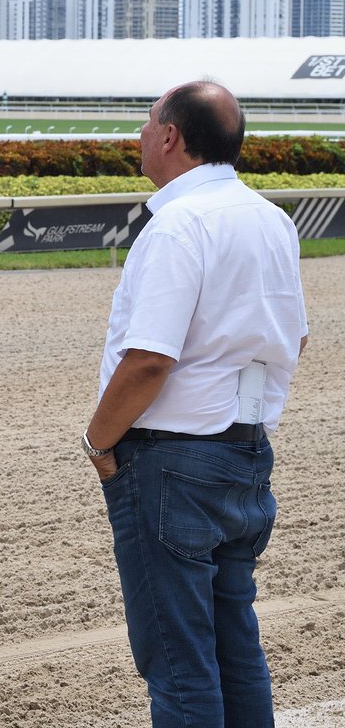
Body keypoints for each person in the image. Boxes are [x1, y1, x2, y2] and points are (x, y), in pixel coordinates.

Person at [83, 81, 308, 728]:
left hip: (171, 464)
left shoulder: (179, 225)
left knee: (179, 665)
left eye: (146, 124)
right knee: (236, 649)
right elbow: (291, 338)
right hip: (245, 455)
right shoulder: (273, 220)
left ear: (171, 137)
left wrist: (98, 442)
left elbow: (150, 357)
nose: (141, 136)